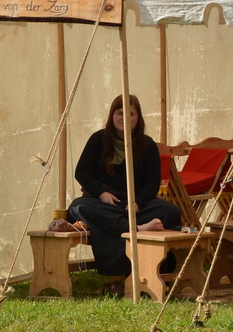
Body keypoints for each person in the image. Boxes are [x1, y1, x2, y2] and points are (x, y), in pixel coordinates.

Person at [68, 94, 183, 296]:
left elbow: (152, 183)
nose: (124, 118)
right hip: (103, 203)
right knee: (80, 208)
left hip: (135, 206)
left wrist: (137, 202)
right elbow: (82, 173)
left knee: (170, 211)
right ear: (112, 115)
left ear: (138, 117)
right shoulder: (98, 140)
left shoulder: (147, 145)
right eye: (120, 113)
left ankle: (132, 227)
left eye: (130, 113)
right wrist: (101, 193)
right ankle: (136, 228)